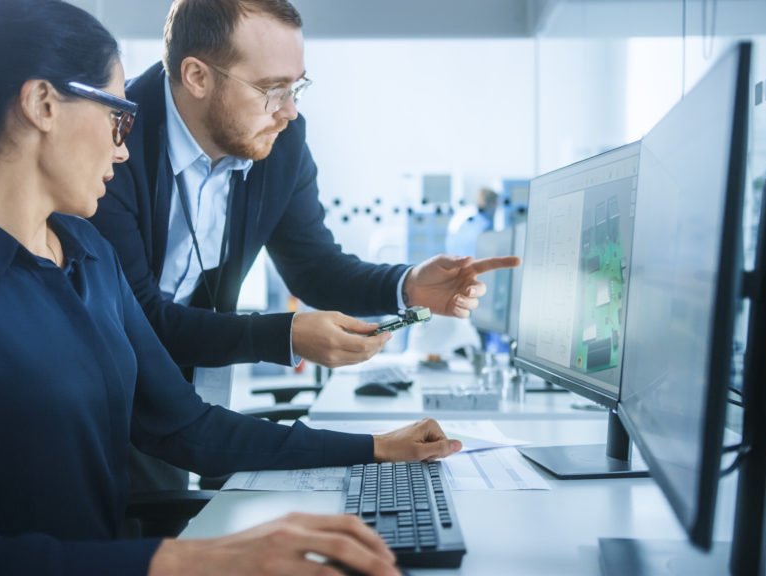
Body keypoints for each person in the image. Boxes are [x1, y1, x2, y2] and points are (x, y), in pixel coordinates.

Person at [0, 1, 459, 574]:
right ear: (43, 104)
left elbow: (186, 427)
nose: (125, 149)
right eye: (117, 115)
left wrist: (376, 448)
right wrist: (192, 562)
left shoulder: (85, 253)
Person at [91, 0, 519, 500]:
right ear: (197, 76)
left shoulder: (282, 141)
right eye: (273, 90)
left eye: (296, 87)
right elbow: (137, 318)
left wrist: (404, 286)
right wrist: (286, 335)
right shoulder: (114, 140)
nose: (290, 110)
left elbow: (313, 266)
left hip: (180, 394)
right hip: (99, 386)